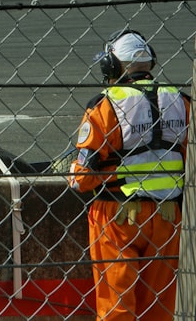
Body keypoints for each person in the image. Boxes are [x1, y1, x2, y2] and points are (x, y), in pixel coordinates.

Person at [68, 30, 189, 321]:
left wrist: (72, 170)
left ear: (112, 67)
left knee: (116, 308)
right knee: (158, 309)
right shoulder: (181, 101)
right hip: (169, 215)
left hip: (117, 215)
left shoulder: (105, 104)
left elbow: (82, 180)